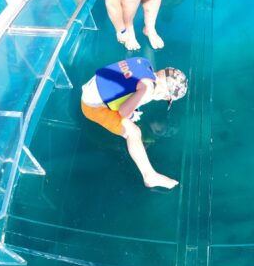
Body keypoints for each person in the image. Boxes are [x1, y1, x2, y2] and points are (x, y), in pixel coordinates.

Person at [80, 58, 188, 189]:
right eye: (166, 99)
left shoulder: (144, 62)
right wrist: (131, 114)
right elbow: (123, 112)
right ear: (165, 95)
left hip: (92, 85)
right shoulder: (148, 90)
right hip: (91, 106)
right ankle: (150, 176)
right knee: (134, 132)